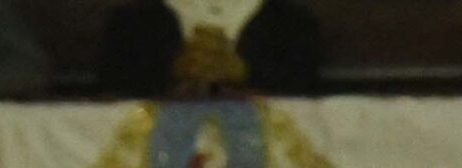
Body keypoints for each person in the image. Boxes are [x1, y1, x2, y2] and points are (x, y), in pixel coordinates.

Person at [95, 0, 324, 98]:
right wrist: (175, 69)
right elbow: (111, 91)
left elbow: (309, 100)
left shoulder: (294, 25)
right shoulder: (130, 24)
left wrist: (244, 72)